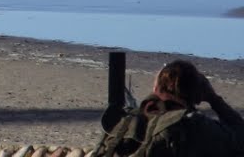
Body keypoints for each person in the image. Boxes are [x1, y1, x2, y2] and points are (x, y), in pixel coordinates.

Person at [96, 58, 244, 156]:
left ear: (156, 87)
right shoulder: (194, 125)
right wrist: (214, 98)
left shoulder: (125, 121)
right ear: (197, 93)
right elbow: (240, 137)